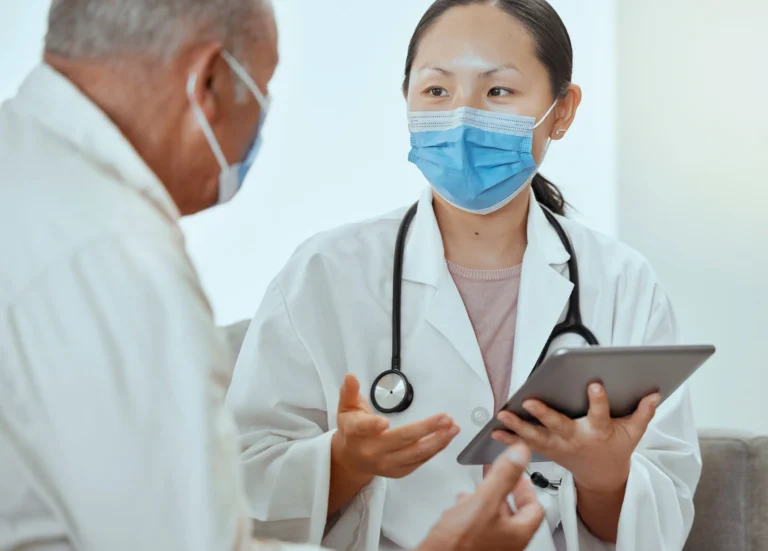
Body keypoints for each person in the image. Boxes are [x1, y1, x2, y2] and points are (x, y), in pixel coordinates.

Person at [0, 0, 544, 550]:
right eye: (261, 92)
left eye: (498, 91)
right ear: (208, 81)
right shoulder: (116, 256)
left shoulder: (28, 172)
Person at [226, 0, 703, 550]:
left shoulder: (623, 283)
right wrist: (342, 462)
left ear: (563, 110)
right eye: (436, 91)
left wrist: (604, 474)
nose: (461, 116)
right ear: (404, 99)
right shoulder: (325, 274)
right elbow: (240, 488)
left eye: (498, 91)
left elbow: (663, 518)